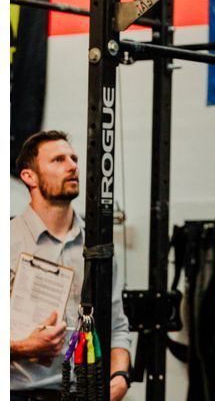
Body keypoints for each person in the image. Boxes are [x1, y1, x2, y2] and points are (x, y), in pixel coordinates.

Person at [10, 131, 132, 400]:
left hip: (81, 393)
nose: (73, 165)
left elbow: (117, 327)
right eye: (58, 160)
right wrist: (23, 347)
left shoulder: (98, 248)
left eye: (73, 158)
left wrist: (121, 376)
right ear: (29, 176)